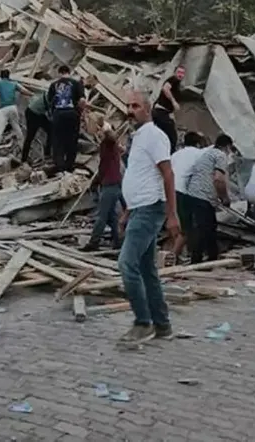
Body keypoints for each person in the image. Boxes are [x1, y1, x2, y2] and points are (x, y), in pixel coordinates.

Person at [116, 88, 179, 345]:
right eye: (128, 106)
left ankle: (143, 323)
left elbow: (168, 174)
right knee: (146, 269)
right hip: (139, 208)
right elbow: (141, 176)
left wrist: (172, 214)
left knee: (126, 264)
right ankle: (162, 325)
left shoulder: (154, 136)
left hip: (150, 208)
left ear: (148, 109)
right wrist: (127, 211)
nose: (131, 111)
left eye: (136, 106)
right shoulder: (138, 137)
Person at [183, 134, 234, 264]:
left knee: (208, 226)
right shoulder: (220, 156)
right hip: (203, 196)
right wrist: (225, 198)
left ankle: (211, 257)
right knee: (205, 229)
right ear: (227, 147)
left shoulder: (207, 153)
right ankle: (198, 260)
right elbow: (218, 179)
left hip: (193, 193)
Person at [83, 122, 124, 252]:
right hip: (111, 182)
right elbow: (102, 167)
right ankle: (118, 241)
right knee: (111, 215)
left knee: (101, 215)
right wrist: (96, 181)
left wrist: (106, 130)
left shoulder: (109, 143)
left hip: (111, 183)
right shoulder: (106, 145)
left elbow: (113, 137)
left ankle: (94, 242)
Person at [169, 131, 205, 261]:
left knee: (174, 223)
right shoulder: (199, 154)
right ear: (198, 143)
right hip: (182, 191)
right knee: (187, 228)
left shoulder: (176, 154)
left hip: (168, 190)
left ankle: (175, 254)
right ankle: (172, 257)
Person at [47, 65, 85, 172]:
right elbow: (82, 101)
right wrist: (80, 113)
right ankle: (69, 165)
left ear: (59, 73)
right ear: (69, 72)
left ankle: (59, 165)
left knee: (58, 140)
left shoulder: (54, 85)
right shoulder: (77, 83)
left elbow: (50, 101)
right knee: (72, 139)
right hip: (72, 114)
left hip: (59, 114)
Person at [0, 69, 30, 153]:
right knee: (16, 127)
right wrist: (32, 94)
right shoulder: (14, 84)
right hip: (13, 107)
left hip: (3, 108)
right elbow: (23, 91)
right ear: (8, 76)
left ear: (1, 76)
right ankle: (23, 146)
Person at [152, 65, 185, 150]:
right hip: (160, 112)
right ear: (175, 73)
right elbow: (165, 89)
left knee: (163, 136)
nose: (180, 75)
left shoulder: (177, 85)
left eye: (182, 73)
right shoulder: (173, 79)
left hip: (162, 112)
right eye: (179, 72)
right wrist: (174, 102)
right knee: (172, 138)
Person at [20, 89, 51, 163]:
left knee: (51, 131)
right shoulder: (52, 96)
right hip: (32, 113)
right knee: (30, 136)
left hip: (39, 113)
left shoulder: (53, 93)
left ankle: (47, 154)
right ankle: (23, 159)